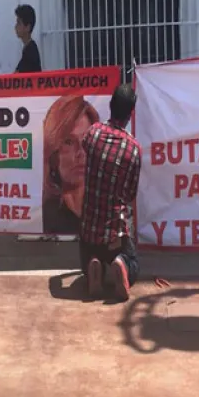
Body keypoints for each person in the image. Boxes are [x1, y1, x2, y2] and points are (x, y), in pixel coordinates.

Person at [80, 84, 141, 302]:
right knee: (133, 263)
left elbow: (85, 146)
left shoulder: (93, 133)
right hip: (117, 231)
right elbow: (130, 192)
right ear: (130, 113)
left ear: (110, 105)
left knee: (86, 255)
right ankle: (122, 263)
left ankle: (93, 265)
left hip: (90, 228)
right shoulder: (133, 149)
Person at [42, 96, 100, 234]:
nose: (80, 153)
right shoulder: (46, 216)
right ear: (54, 153)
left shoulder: (109, 210)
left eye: (87, 140)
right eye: (69, 142)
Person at [14, 4, 42, 73]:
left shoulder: (30, 52)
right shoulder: (28, 48)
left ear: (27, 27)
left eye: (19, 23)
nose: (15, 26)